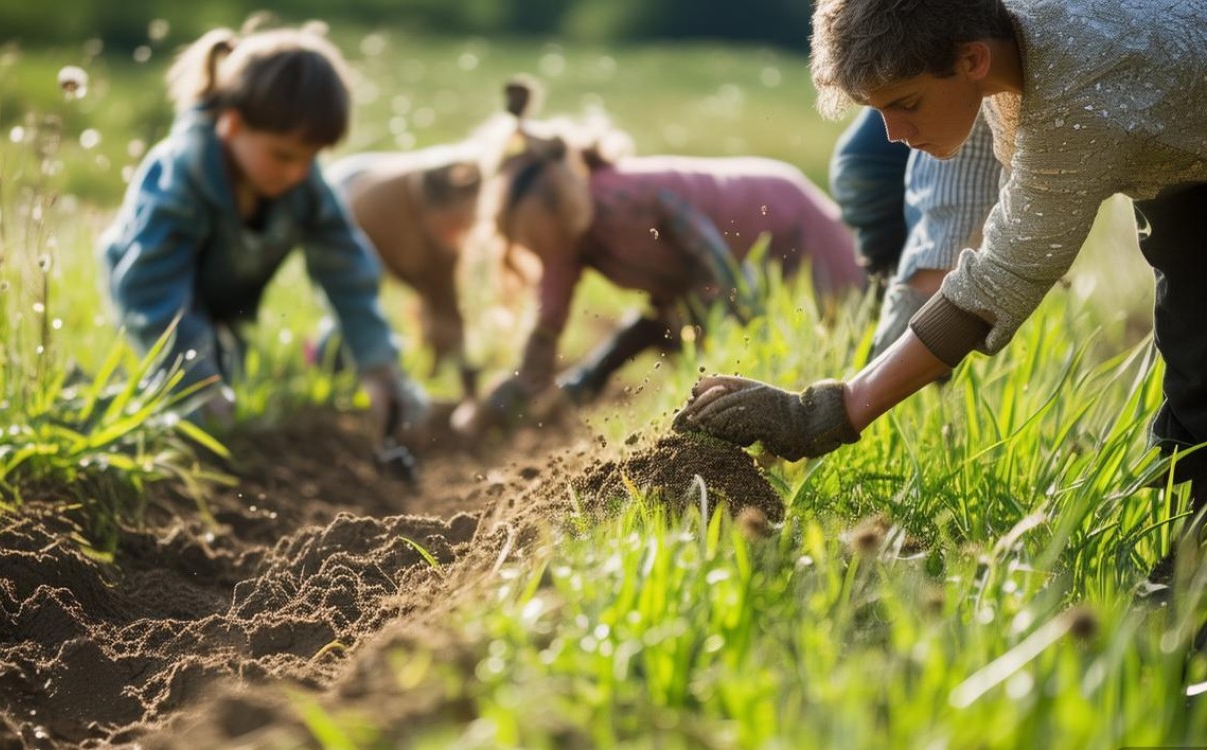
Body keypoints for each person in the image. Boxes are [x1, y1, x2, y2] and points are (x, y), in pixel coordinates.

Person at [675, 0, 1207, 574]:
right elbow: (947, 230)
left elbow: (996, 284)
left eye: (905, 105)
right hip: (1182, 171)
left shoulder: (1075, 96)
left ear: (973, 59)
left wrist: (828, 412)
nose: (895, 134)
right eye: (880, 112)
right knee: (1193, 359)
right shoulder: (996, 47)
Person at [454, 78, 865, 435]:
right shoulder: (566, 239)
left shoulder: (623, 199)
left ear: (564, 206)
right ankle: (583, 389)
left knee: (853, 314)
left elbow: (711, 258)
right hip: (708, 272)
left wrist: (736, 312)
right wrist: (510, 396)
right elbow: (548, 323)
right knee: (660, 329)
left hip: (789, 213)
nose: (547, 253)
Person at [98, 22, 427, 432]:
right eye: (283, 155)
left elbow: (346, 267)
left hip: (224, 299)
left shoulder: (303, 185)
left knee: (232, 388)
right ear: (232, 124)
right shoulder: (181, 178)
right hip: (149, 294)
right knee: (182, 407)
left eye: (310, 158)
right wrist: (197, 383)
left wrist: (379, 367)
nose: (297, 172)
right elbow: (152, 287)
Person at [830, 107, 1002, 358]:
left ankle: (879, 371)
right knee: (918, 290)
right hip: (884, 175)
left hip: (875, 168)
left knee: (919, 286)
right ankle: (879, 374)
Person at [325, 144, 484, 396]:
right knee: (357, 303)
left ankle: (431, 373)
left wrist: (462, 363)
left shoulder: (441, 227)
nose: (457, 234)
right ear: (429, 213)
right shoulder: (380, 213)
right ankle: (335, 366)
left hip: (376, 182)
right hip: (347, 196)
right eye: (452, 225)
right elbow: (355, 293)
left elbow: (444, 298)